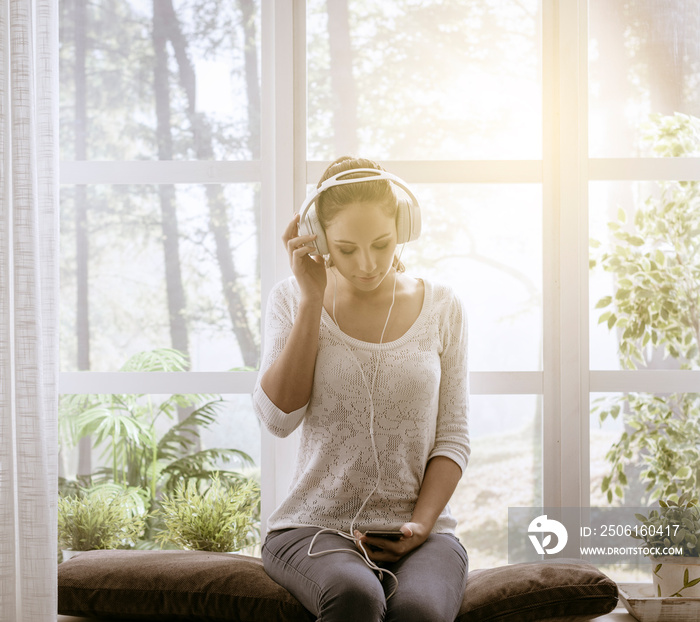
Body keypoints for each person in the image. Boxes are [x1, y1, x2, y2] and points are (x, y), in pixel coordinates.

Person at [253, 156, 470, 622]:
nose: (368, 264)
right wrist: (312, 299)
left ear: (403, 229)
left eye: (381, 243)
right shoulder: (291, 299)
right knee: (356, 597)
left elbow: (452, 437)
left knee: (421, 611)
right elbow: (277, 419)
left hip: (421, 534)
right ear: (319, 237)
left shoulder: (443, 306)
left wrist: (421, 525)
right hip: (314, 528)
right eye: (347, 249)